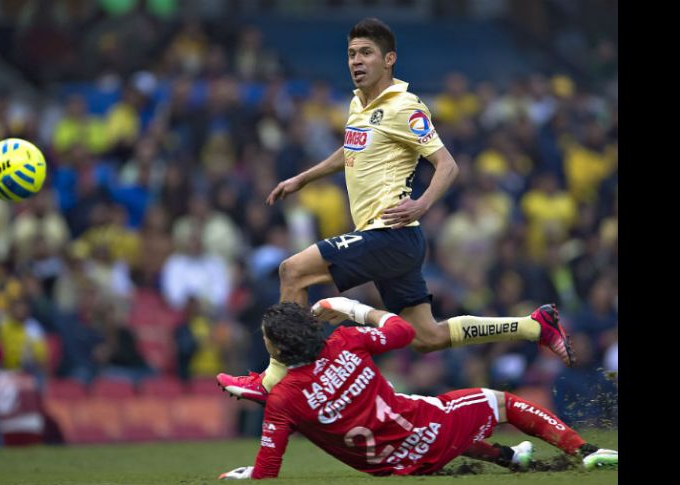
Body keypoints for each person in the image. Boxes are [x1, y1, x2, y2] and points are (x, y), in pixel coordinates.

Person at [217, 18, 573, 403]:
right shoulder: (358, 103)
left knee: (293, 270)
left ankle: (276, 382)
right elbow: (352, 149)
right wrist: (305, 177)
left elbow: (447, 164)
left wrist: (422, 202)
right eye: (352, 54)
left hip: (390, 233)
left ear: (389, 59)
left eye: (366, 53)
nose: (356, 61)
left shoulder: (404, 106)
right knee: (427, 337)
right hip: (394, 242)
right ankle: (535, 326)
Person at [218, 298, 617, 479]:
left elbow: (268, 471)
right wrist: (349, 305)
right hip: (426, 434)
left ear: (275, 348)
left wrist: (246, 475)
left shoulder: (283, 400)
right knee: (502, 402)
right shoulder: (346, 340)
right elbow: (404, 331)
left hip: (391, 467)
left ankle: (510, 458)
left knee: (420, 407)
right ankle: (586, 451)